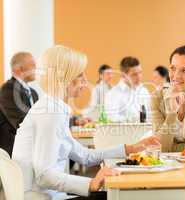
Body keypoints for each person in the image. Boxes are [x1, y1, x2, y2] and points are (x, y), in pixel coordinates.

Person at [12, 45, 160, 200]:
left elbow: (85, 156)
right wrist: (91, 183)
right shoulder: (51, 112)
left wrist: (132, 148)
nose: (85, 81)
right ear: (65, 77)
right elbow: (44, 176)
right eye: (80, 75)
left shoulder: (53, 108)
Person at [0, 52, 38, 156]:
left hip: (31, 147)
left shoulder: (33, 93)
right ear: (20, 70)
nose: (36, 67)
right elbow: (21, 122)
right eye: (32, 64)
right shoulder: (8, 89)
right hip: (13, 151)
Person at [105, 56, 150, 122]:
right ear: (123, 75)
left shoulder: (144, 91)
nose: (139, 77)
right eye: (134, 74)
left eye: (140, 72)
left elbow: (150, 115)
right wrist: (134, 119)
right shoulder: (113, 94)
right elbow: (111, 118)